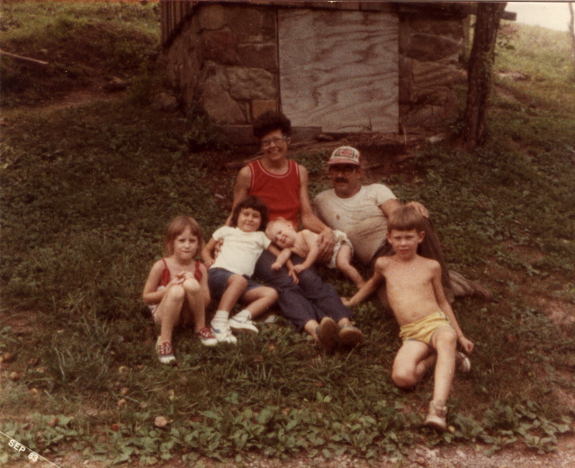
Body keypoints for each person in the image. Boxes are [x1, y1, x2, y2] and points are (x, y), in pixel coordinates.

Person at [230, 111, 363, 351]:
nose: (272, 146)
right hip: (261, 243)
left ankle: (345, 324)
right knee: (284, 281)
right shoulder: (248, 173)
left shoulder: (298, 171)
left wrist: (326, 231)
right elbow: (235, 214)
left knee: (310, 278)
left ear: (287, 140)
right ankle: (316, 330)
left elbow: (307, 215)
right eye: (266, 142)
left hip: (291, 239)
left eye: (277, 139)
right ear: (261, 145)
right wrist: (223, 239)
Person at [342, 206, 474, 431]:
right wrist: (352, 302)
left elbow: (442, 303)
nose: (403, 243)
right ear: (389, 239)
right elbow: (372, 285)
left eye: (409, 238)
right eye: (398, 238)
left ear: (420, 237)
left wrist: (460, 334)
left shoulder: (430, 267)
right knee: (403, 378)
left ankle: (438, 408)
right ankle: (445, 358)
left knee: (447, 337)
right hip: (411, 334)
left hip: (435, 323)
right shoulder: (384, 264)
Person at [313, 146, 492, 308]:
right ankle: (454, 281)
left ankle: (445, 292)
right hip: (376, 260)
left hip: (397, 242)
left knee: (417, 217)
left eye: (347, 169)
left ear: (359, 173)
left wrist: (410, 209)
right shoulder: (321, 200)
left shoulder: (376, 190)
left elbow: (398, 217)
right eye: (335, 169)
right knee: (390, 305)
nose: (340, 175)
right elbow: (316, 230)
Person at [202, 196, 279, 344]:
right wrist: (207, 260)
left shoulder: (260, 237)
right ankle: (218, 322)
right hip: (218, 275)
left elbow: (278, 252)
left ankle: (239, 318)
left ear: (261, 221)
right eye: (246, 214)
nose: (250, 219)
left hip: (242, 283)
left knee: (271, 293)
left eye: (255, 216)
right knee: (239, 280)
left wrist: (287, 261)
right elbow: (206, 249)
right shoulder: (226, 231)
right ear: (237, 216)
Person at [143, 216, 217, 365]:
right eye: (182, 240)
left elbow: (207, 300)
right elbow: (146, 298)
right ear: (171, 243)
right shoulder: (161, 265)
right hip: (164, 315)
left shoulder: (200, 268)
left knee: (191, 284)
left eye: (192, 241)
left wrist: (193, 283)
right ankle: (164, 340)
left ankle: (200, 327)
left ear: (198, 244)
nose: (187, 245)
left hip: (189, 315)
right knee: (176, 291)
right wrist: (168, 289)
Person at [265, 217, 365, 289]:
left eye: (279, 232)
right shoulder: (290, 248)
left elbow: (314, 250)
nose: (280, 238)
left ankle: (361, 283)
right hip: (329, 258)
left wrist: (304, 265)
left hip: (338, 245)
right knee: (340, 267)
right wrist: (278, 263)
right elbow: (283, 255)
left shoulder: (304, 234)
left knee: (343, 264)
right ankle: (352, 266)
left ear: (289, 226)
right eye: (276, 240)